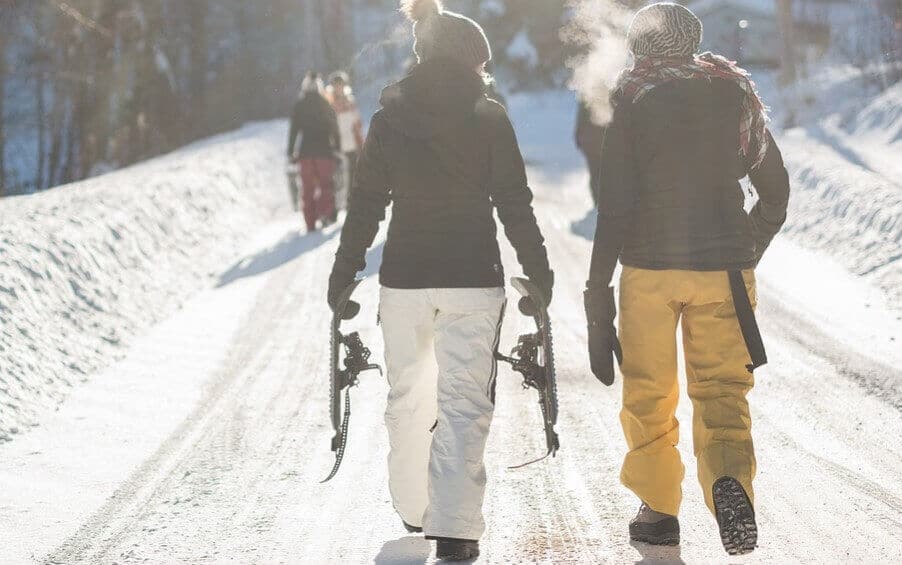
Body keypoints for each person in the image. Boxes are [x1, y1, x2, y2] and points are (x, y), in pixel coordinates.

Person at [327, 0, 553, 560]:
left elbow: (366, 203)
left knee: (407, 395)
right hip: (473, 279)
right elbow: (514, 204)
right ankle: (453, 529)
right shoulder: (489, 115)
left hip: (404, 280)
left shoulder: (387, 118)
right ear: (473, 60)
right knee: (463, 401)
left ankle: (414, 508)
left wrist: (343, 270)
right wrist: (540, 271)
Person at [583, 3, 790, 556]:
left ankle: (658, 511)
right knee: (723, 389)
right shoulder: (735, 93)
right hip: (724, 269)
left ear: (641, 45)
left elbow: (616, 207)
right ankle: (729, 480)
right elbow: (776, 192)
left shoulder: (633, 97)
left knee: (650, 393)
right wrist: (749, 248)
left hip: (650, 271)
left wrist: (596, 292)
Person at [288, 71, 340, 231]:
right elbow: (334, 128)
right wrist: (337, 148)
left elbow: (294, 130)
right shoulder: (325, 103)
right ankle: (324, 214)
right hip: (325, 152)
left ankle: (310, 222)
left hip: (305, 153)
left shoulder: (299, 105)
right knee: (326, 185)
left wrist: (291, 151)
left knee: (307, 188)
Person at [326, 71, 365, 210]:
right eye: (336, 85)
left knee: (353, 175)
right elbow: (328, 125)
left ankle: (350, 203)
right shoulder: (329, 103)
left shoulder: (350, 101)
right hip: (337, 146)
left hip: (352, 144)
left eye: (341, 85)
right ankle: (336, 206)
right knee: (338, 177)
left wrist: (360, 141)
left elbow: (358, 123)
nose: (339, 88)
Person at [575, 98, 607, 206]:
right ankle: (600, 201)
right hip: (598, 140)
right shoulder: (609, 89)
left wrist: (578, 135)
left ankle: (598, 201)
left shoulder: (587, 91)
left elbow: (581, 117)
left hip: (590, 140)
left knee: (595, 173)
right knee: (601, 173)